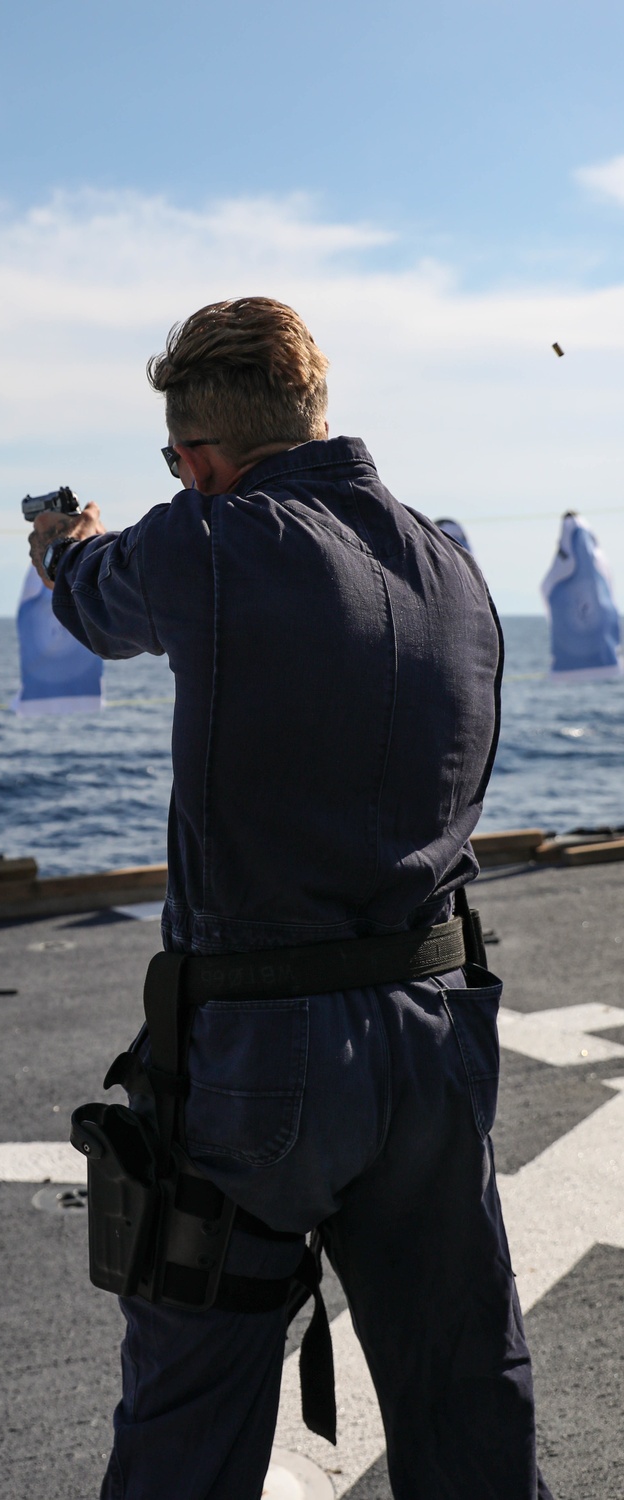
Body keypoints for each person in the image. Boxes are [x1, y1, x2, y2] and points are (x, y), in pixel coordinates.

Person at [29, 297, 552, 1500]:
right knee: (466, 1386)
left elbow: (95, 598)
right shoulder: (454, 567)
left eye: (179, 461)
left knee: (190, 1420)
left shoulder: (210, 540)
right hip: (435, 1030)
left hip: (265, 1056)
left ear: (200, 459)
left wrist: (64, 540)